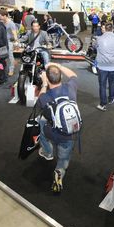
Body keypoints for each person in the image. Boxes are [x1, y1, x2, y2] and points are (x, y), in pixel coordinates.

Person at [36, 62, 78, 193]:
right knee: (64, 159)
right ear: (61, 77)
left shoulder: (45, 98)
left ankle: (47, 152)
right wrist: (57, 66)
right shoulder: (71, 88)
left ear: (47, 79)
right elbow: (73, 75)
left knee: (40, 121)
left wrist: (44, 84)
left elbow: (39, 101)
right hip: (69, 133)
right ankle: (59, 171)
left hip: (52, 131)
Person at [95, 23, 114, 111]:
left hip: (102, 66)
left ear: (105, 29)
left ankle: (103, 104)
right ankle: (111, 98)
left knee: (102, 85)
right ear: (112, 29)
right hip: (113, 66)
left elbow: (95, 48)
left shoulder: (99, 39)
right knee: (112, 83)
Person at [0, 9, 18, 76]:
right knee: (2, 55)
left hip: (9, 41)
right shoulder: (1, 22)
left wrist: (16, 43)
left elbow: (14, 33)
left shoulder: (11, 23)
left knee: (10, 55)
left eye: (0, 16)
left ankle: (11, 69)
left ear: (5, 16)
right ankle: (3, 69)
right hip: (3, 41)